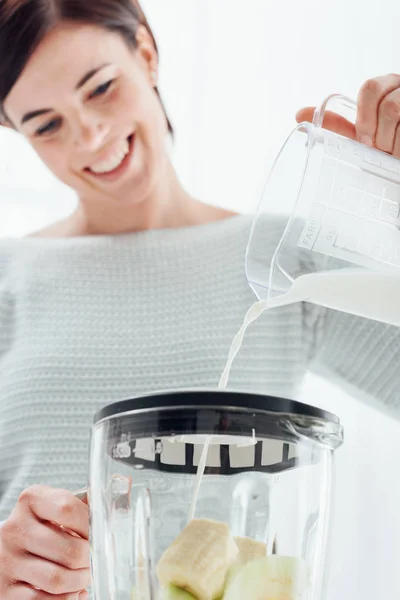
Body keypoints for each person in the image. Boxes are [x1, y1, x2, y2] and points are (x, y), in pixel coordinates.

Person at [0, 0, 399, 598]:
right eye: (46, 125)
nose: (91, 135)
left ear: (146, 53)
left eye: (102, 88)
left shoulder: (281, 261)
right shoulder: (9, 275)